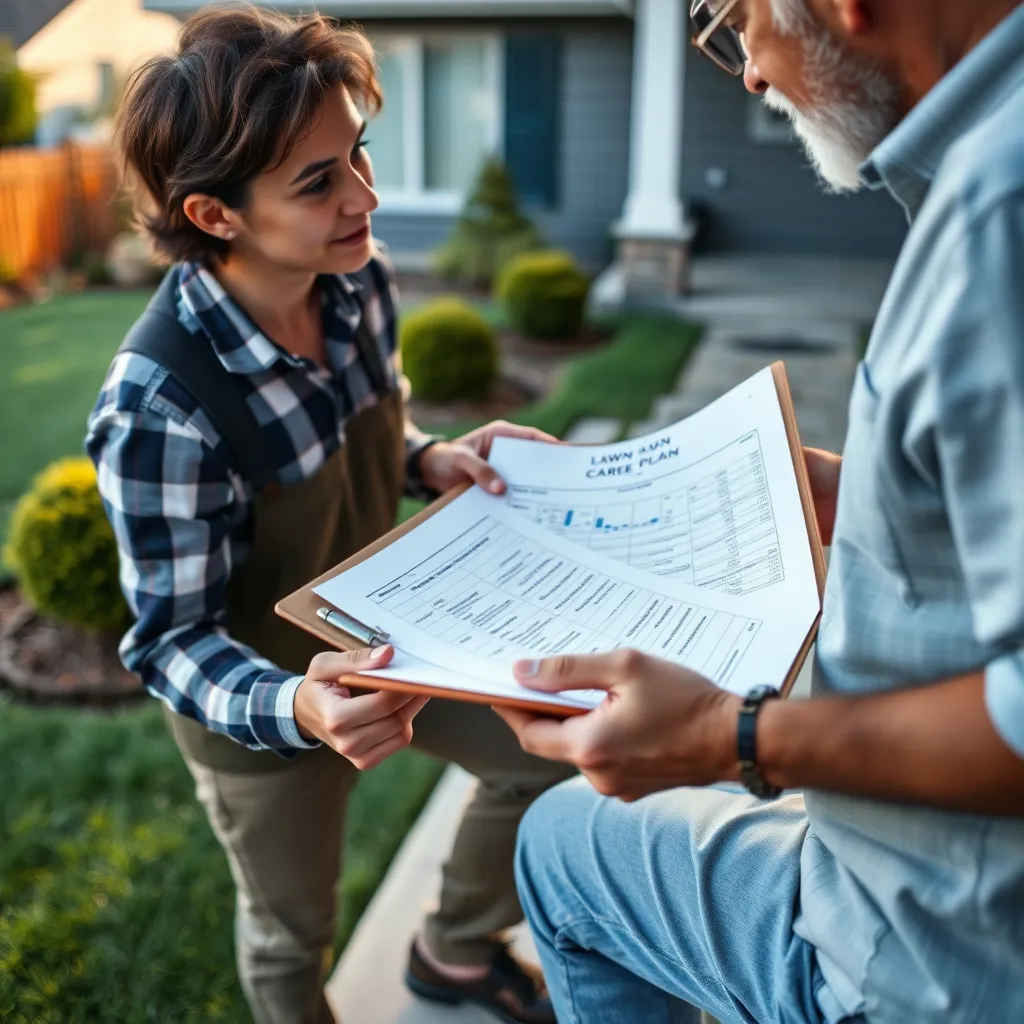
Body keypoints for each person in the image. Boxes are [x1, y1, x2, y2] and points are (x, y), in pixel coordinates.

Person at [497, 1, 1024, 1022]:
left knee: (562, 843)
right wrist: (844, 488)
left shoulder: (999, 209)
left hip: (929, 958)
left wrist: (731, 735)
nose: (745, 71)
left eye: (736, 19)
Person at [85, 7, 570, 1023]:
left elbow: (365, 434)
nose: (366, 195)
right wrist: (301, 708)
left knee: (549, 759)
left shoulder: (360, 277)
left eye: (355, 153)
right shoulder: (157, 408)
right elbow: (169, 639)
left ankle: (452, 950)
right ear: (215, 214)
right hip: (263, 711)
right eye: (319, 181)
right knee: (291, 934)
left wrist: (432, 457)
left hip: (399, 632)